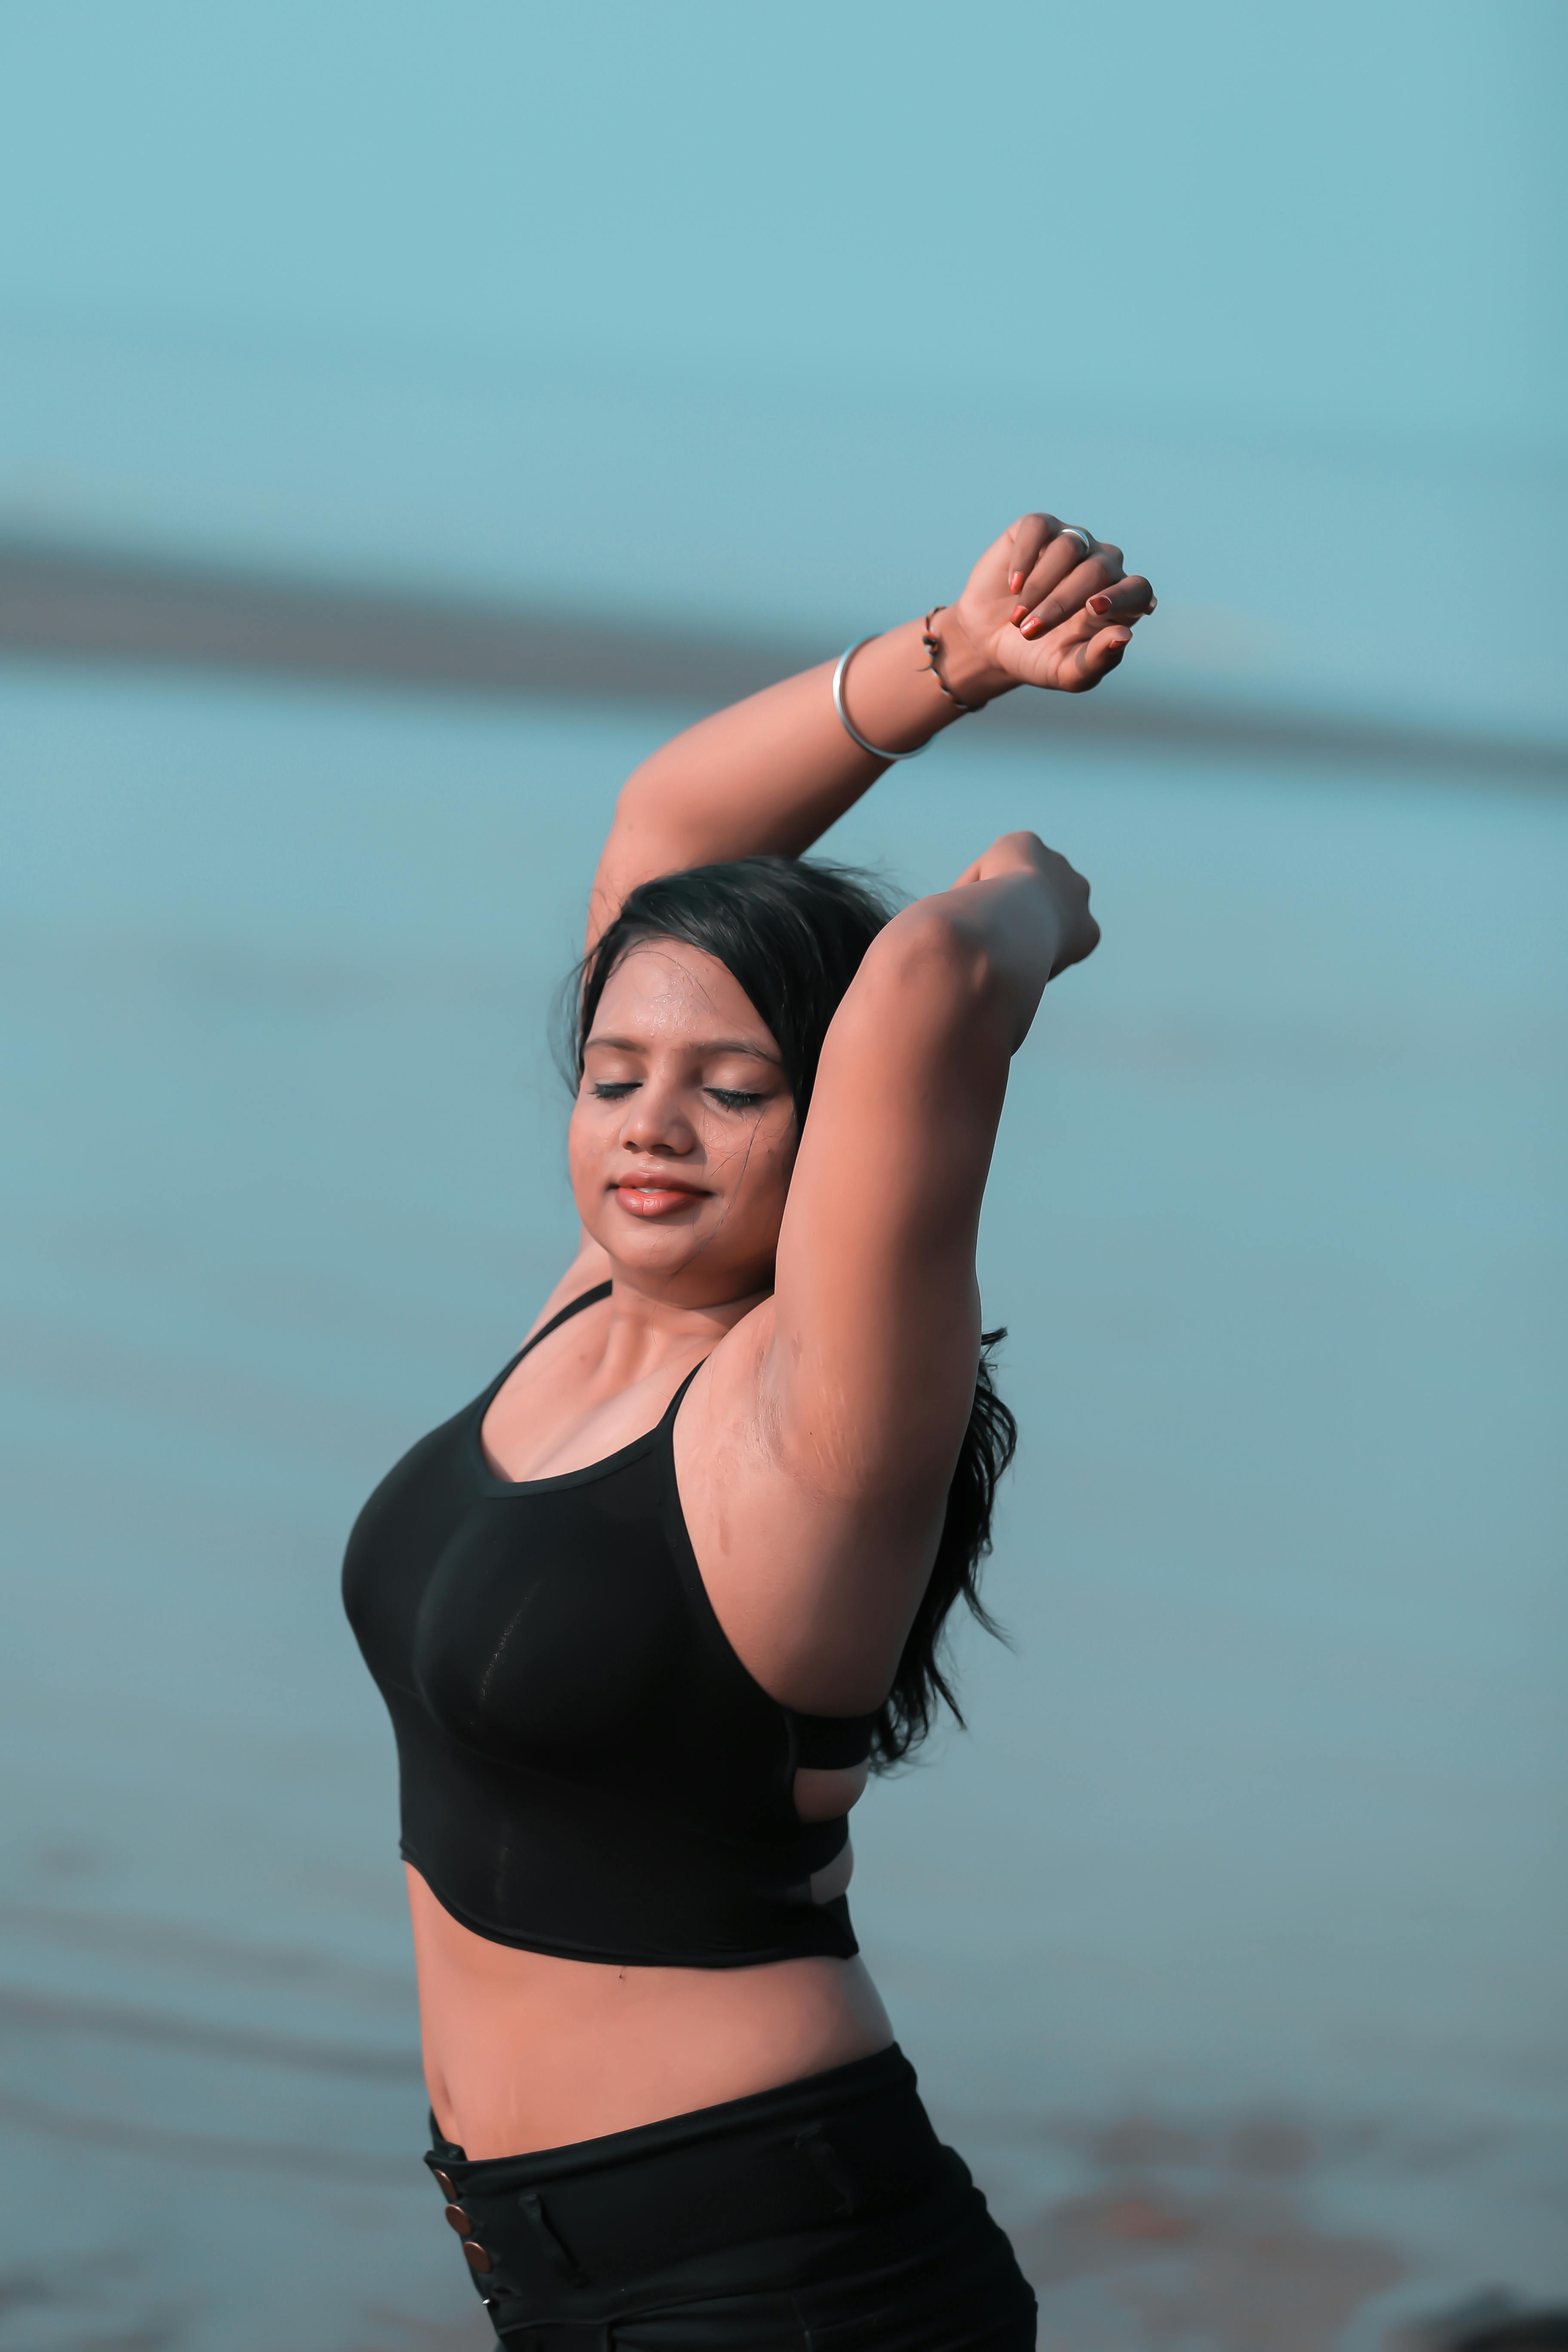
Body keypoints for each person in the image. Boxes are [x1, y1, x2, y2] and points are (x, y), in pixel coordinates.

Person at [343, 511, 1155, 2349]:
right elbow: (669, 843)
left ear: (831, 1136)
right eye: (618, 1077)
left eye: (732, 1092)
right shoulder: (592, 1314)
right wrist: (949, 654)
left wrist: (1033, 887)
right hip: (545, 2262)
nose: (650, 1128)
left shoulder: (823, 1416)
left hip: (787, 2279)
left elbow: (932, 987)